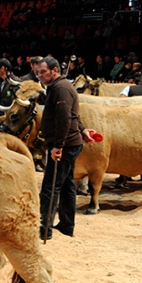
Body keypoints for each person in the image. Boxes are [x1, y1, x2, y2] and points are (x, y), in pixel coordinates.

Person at [37, 57, 96, 240]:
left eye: (43, 72)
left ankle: (44, 229)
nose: (40, 76)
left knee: (50, 186)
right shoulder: (58, 87)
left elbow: (64, 118)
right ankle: (67, 225)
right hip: (70, 143)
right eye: (38, 72)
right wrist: (83, 129)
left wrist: (58, 146)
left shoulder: (61, 88)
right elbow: (74, 115)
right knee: (67, 184)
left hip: (65, 145)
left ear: (55, 70)